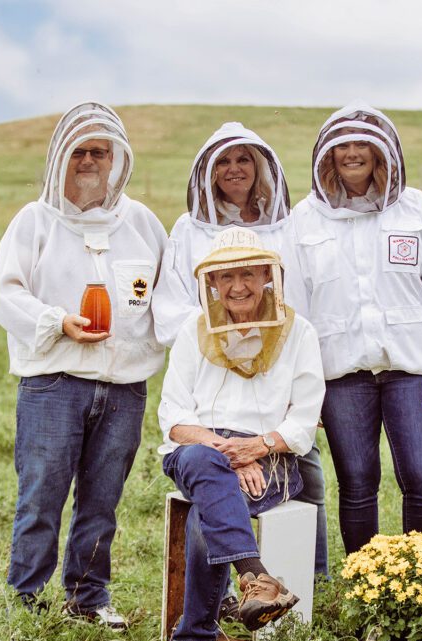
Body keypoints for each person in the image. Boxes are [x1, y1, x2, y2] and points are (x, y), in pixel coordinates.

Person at [0, 101, 168, 628]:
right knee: (41, 495)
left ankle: (88, 599)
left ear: (117, 160)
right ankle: (25, 600)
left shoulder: (141, 224)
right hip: (53, 385)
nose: (89, 161)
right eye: (80, 152)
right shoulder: (34, 221)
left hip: (124, 387)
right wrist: (55, 321)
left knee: (101, 500)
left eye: (100, 152)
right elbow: (4, 293)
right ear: (61, 157)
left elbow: (169, 293)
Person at [288, 101, 422, 555]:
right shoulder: (305, 218)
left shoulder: (415, 209)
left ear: (382, 152)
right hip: (341, 375)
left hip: (412, 369)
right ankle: (364, 583)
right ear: (326, 155)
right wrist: (301, 389)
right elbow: (295, 307)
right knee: (356, 483)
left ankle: (419, 580)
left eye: (361, 144)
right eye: (342, 145)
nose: (352, 153)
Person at [152, 123, 331, 585]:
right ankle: (251, 582)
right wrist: (215, 334)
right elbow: (173, 303)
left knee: (304, 478)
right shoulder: (189, 229)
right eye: (224, 162)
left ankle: (309, 579)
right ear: (208, 173)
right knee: (214, 473)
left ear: (261, 168)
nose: (234, 169)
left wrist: (284, 352)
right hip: (209, 401)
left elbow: (300, 300)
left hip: (274, 398)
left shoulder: (283, 227)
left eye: (244, 160)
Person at [158, 228, 325, 641]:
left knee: (202, 516)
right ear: (211, 282)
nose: (238, 286)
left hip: (270, 454)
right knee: (198, 460)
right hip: (200, 449)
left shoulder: (299, 331)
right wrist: (225, 451)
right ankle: (255, 577)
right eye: (226, 275)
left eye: (249, 273)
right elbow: (172, 415)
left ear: (267, 276)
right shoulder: (193, 331)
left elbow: (304, 419)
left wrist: (254, 448)